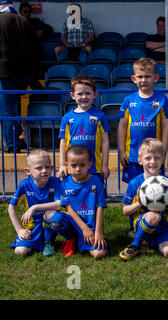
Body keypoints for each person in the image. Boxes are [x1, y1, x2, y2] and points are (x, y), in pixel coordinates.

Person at [119, 138, 168, 261]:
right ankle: (136, 244)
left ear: (162, 160)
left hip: (163, 225)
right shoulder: (134, 183)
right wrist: (138, 204)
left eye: (157, 158)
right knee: (153, 216)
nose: (153, 162)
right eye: (148, 158)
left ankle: (152, 241)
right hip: (144, 222)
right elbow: (125, 211)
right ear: (140, 161)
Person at [118, 58, 168, 184]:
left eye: (148, 76)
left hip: (155, 156)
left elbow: (166, 127)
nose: (143, 80)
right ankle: (133, 205)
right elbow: (122, 127)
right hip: (133, 155)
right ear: (134, 79)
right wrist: (121, 151)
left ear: (155, 78)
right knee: (133, 187)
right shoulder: (128, 100)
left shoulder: (162, 100)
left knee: (156, 187)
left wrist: (163, 150)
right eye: (140, 77)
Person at [49, 145, 107, 259]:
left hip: (92, 226)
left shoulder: (96, 182)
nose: (78, 169)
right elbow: (68, 208)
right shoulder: (64, 184)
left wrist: (98, 232)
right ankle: (71, 239)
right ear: (67, 165)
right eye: (73, 165)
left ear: (89, 165)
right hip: (75, 223)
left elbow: (100, 206)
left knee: (99, 254)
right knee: (56, 220)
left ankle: (85, 240)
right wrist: (84, 229)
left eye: (82, 165)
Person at [0, 0, 39, 153]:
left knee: (7, 109)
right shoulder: (25, 22)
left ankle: (11, 144)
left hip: (4, 72)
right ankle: (16, 138)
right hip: (23, 73)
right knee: (15, 106)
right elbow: (36, 48)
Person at [8, 150, 61, 256]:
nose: (44, 171)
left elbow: (59, 204)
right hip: (32, 227)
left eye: (47, 167)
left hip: (50, 223)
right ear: (28, 171)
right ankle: (36, 243)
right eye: (39, 168)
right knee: (20, 251)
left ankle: (48, 241)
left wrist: (34, 207)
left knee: (51, 214)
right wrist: (19, 230)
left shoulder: (55, 182)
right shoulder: (24, 186)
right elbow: (11, 208)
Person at [58, 75, 110, 180]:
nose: (84, 97)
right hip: (72, 168)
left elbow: (105, 142)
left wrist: (105, 165)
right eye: (80, 94)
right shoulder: (67, 118)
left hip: (95, 168)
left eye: (87, 93)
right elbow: (63, 142)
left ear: (95, 94)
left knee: (95, 195)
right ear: (72, 95)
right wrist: (62, 165)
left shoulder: (100, 116)